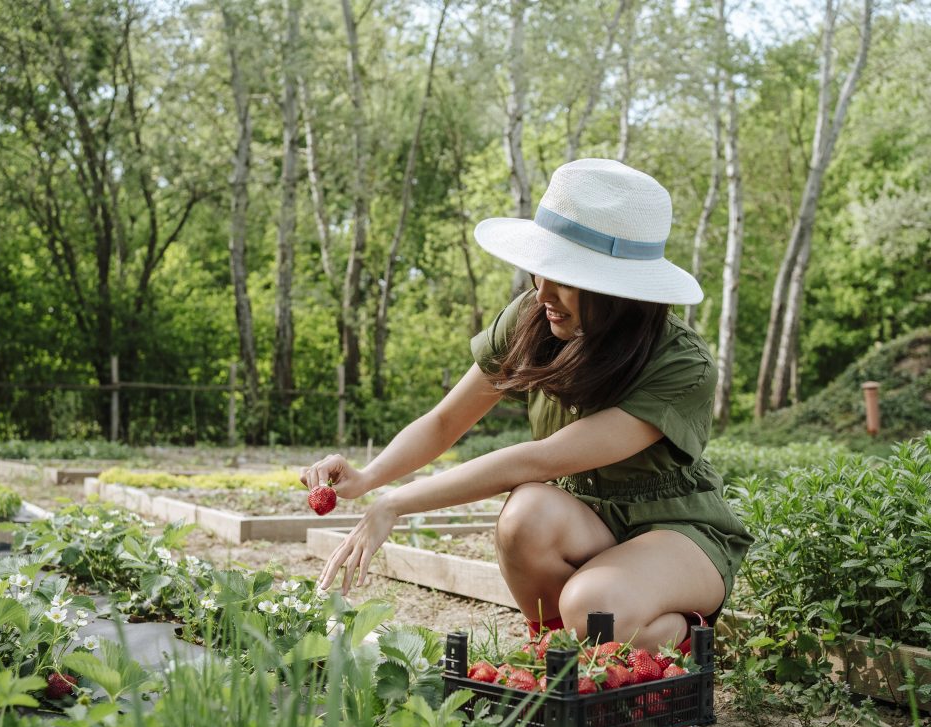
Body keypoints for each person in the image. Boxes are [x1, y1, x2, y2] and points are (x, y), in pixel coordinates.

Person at [304, 158, 751, 655]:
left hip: (675, 530)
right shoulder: (535, 320)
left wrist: (397, 503)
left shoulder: (680, 364)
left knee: (594, 606)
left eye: (566, 278)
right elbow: (445, 420)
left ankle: (684, 639)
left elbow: (538, 459)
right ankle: (562, 659)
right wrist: (368, 479)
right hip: (586, 519)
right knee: (525, 517)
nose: (543, 293)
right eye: (542, 271)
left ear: (619, 290)